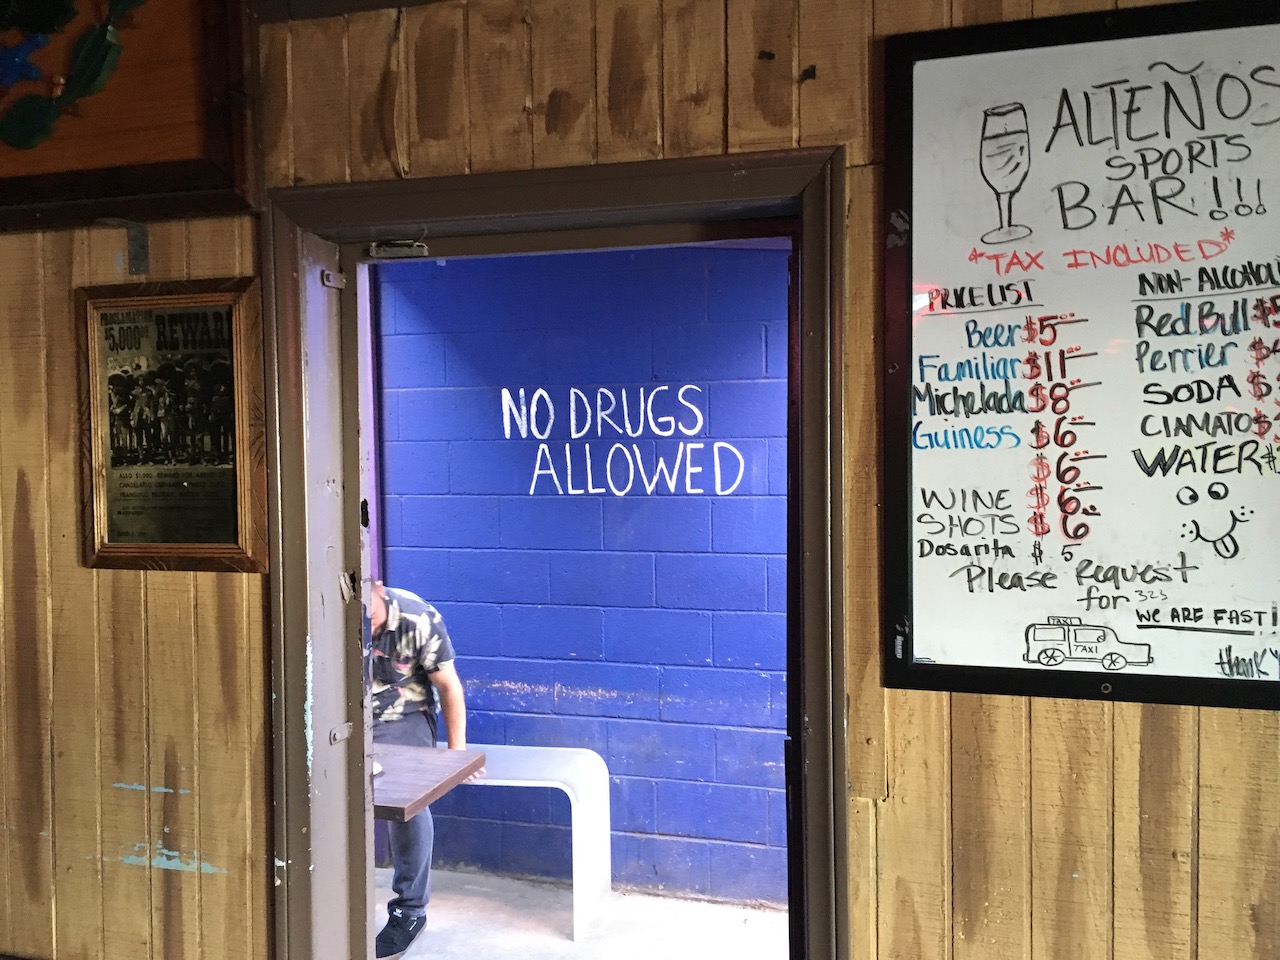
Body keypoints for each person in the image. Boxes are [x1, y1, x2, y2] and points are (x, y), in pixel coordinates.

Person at [368, 580, 472, 960]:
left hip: (402, 715)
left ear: (378, 589)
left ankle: (409, 911)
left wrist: (456, 756)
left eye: (374, 619)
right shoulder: (334, 609)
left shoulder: (418, 617)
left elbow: (448, 687)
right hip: (344, 715)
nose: (370, 627)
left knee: (404, 794)